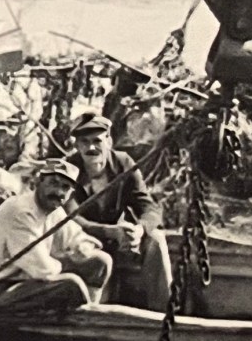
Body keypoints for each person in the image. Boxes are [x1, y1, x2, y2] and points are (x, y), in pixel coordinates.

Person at [0, 158, 112, 316]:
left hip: (25, 279)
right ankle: (84, 322)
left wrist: (82, 247)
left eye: (65, 187)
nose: (58, 192)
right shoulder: (19, 212)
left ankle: (90, 314)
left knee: (100, 262)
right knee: (71, 284)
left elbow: (77, 236)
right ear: (38, 181)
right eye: (53, 183)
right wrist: (69, 259)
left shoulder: (53, 209)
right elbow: (42, 269)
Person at [65, 112, 172, 311]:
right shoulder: (69, 169)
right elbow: (72, 219)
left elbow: (148, 206)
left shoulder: (123, 163)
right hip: (82, 242)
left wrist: (139, 230)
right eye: (84, 142)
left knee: (156, 238)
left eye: (97, 141)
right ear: (77, 146)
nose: (91, 148)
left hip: (120, 240)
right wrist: (110, 231)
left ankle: (164, 312)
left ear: (109, 141)